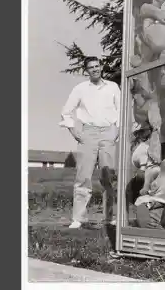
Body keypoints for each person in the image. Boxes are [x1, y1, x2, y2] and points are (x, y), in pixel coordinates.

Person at [59, 56, 120, 229]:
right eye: (91, 67)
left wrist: (117, 131)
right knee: (83, 177)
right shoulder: (80, 89)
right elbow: (66, 112)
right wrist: (75, 132)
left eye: (97, 66)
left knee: (109, 177)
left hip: (108, 132)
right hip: (88, 134)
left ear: (101, 67)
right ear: (86, 71)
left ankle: (110, 218)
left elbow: (121, 110)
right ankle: (79, 218)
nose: (95, 69)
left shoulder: (113, 87)